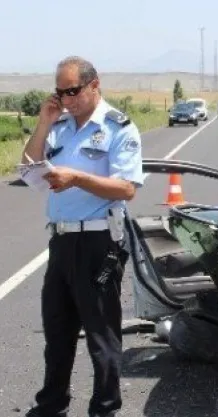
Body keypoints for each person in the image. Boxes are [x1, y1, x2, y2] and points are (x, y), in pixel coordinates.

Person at [21, 56, 143, 417]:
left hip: (98, 241)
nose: (66, 99)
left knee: (101, 334)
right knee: (57, 331)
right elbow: (28, 165)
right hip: (61, 241)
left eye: (72, 91)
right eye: (60, 92)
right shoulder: (59, 126)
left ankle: (104, 408)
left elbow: (126, 188)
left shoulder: (118, 127)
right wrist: (44, 122)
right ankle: (51, 405)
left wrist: (76, 178)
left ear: (94, 85)